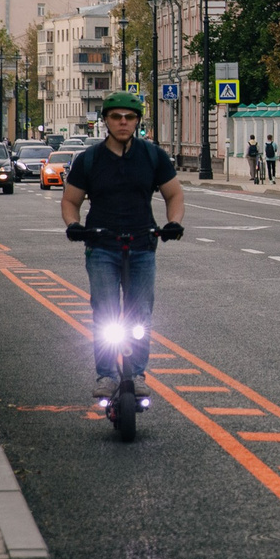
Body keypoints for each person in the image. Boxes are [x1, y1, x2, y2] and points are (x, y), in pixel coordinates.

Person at [62, 92, 185, 396]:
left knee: (139, 313)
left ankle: (138, 374)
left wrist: (173, 223)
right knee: (105, 312)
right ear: (105, 121)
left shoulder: (152, 156)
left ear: (137, 122)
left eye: (129, 118)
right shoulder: (89, 160)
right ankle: (105, 375)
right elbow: (70, 200)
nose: (123, 122)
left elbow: (174, 194)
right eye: (116, 117)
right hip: (102, 246)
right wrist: (74, 226)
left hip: (143, 245)